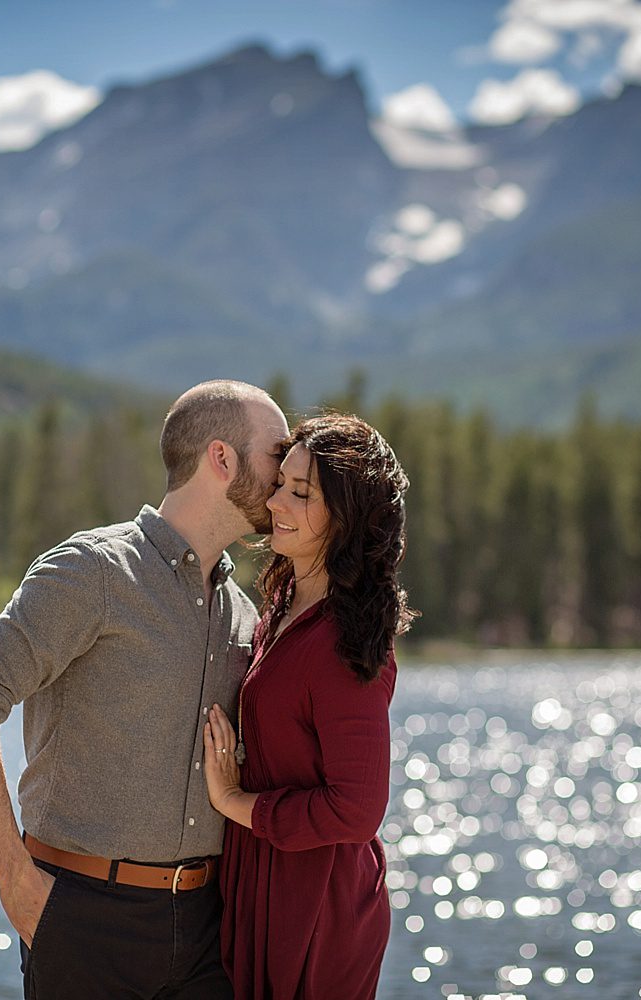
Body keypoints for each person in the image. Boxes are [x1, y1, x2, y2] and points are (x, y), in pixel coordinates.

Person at [0, 380, 289, 999]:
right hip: (81, 922)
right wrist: (15, 878)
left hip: (209, 930)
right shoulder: (92, 572)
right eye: (277, 454)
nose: (288, 475)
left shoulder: (241, 610)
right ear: (222, 458)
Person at [201, 414, 415, 1000]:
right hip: (266, 885)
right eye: (280, 485)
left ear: (345, 520)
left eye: (301, 493)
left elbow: (358, 810)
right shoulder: (283, 604)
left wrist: (235, 802)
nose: (276, 503)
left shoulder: (344, 644)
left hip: (317, 909)